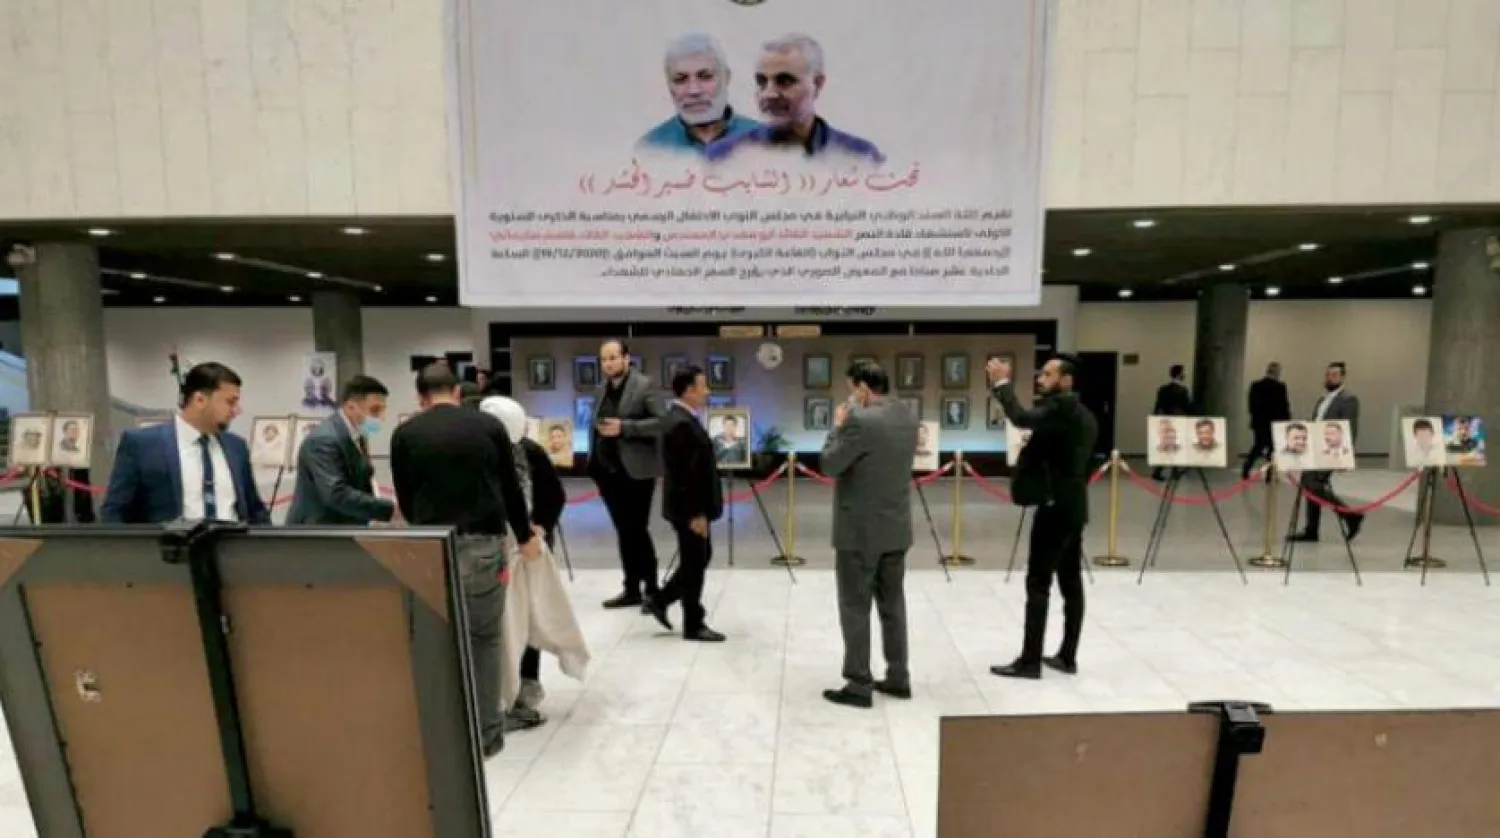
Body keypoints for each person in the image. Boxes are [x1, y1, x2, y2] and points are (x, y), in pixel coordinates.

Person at [390, 363, 543, 758]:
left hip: (431, 547)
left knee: (438, 637)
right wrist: (525, 537)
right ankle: (487, 735)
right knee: (485, 639)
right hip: (484, 545)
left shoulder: (405, 434)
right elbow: (510, 489)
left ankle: (442, 731)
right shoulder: (488, 428)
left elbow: (405, 498)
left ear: (421, 398)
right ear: (457, 393)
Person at [986, 354, 1097, 680]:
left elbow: (1020, 417)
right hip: (1074, 506)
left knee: (1038, 582)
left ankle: (1030, 660)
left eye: (1047, 374)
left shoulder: (1060, 408)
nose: (1040, 378)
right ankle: (1067, 655)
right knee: (1071, 582)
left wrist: (1002, 383)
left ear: (1066, 380)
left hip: (1054, 508)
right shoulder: (1085, 415)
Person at [477, 396, 579, 732]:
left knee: (528, 616)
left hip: (526, 552)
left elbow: (553, 495)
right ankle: (498, 691)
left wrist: (539, 527)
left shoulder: (530, 452)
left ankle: (524, 685)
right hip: (492, 550)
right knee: (500, 621)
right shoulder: (478, 453)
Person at [820, 362, 919, 709]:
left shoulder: (859, 421)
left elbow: (830, 464)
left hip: (859, 531)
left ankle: (858, 683)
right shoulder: (907, 416)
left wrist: (836, 427)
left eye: (851, 389)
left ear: (862, 388)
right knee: (893, 604)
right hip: (895, 526)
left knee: (855, 605)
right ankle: (898, 675)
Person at [101, 362, 271, 525]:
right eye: (230, 402)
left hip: (233, 551)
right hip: (170, 552)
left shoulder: (237, 447)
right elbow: (114, 513)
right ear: (200, 400)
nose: (237, 410)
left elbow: (255, 511)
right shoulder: (142, 445)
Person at [706, 34, 883, 164]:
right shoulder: (723, 157)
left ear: (817, 84)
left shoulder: (860, 158)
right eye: (761, 82)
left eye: (785, 81)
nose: (769, 94)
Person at [644, 366, 727, 642]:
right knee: (695, 561)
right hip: (689, 509)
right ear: (689, 390)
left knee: (698, 558)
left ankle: (661, 599)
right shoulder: (680, 423)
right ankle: (693, 622)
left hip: (688, 506)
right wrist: (696, 514)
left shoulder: (682, 418)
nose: (708, 391)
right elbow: (685, 476)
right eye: (704, 386)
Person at [587, 340, 666, 609]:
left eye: (613, 357)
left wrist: (625, 427)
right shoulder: (600, 390)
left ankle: (653, 590)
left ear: (626, 358)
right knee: (623, 530)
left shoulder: (645, 385)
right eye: (604, 359)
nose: (608, 363)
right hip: (607, 471)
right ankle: (631, 588)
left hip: (636, 471)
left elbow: (662, 423)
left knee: (637, 530)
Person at [285, 375, 397, 526]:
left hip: (343, 526)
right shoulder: (323, 440)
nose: (381, 418)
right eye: (375, 410)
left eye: (383, 410)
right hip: (318, 534)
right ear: (351, 407)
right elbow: (336, 494)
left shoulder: (355, 433)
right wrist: (390, 510)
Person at [638, 33, 759, 155]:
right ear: (670, 86)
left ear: (726, 78)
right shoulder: (651, 148)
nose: (694, 90)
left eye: (705, 77)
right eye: (680, 80)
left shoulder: (765, 142)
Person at [1291, 362, 1362, 543]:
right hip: (1314, 449)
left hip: (1330, 450)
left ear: (1342, 377)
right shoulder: (1323, 400)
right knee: (1309, 485)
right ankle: (1312, 530)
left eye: (1335, 375)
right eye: (1328, 374)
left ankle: (1350, 515)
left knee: (1312, 485)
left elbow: (1349, 428)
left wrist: (1344, 456)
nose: (1330, 378)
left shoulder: (1349, 399)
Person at [1243, 362, 1291, 479]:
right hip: (1274, 424)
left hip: (1259, 422)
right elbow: (1284, 406)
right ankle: (1269, 474)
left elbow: (1252, 405)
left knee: (1257, 447)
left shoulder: (1256, 385)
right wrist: (1286, 422)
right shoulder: (1280, 387)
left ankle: (1246, 468)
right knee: (1272, 449)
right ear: (1277, 373)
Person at [1151, 364, 1192, 480]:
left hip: (1165, 420)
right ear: (1180, 374)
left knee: (1167, 446)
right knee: (1176, 446)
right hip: (1178, 421)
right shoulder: (1182, 390)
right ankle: (1174, 471)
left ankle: (1159, 470)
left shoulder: (1163, 389)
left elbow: (1158, 405)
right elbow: (1187, 406)